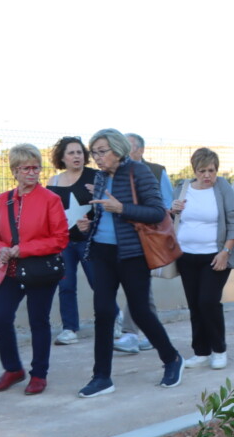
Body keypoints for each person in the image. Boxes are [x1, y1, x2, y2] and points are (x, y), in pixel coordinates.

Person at [77, 129, 184, 397]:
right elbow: (104, 213)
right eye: (95, 153)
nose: (98, 158)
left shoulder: (138, 172)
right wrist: (89, 226)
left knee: (140, 312)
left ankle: (171, 359)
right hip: (102, 252)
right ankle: (102, 377)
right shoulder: (101, 176)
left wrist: (122, 208)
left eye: (102, 151)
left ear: (118, 149)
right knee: (102, 311)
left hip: (133, 254)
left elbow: (158, 211)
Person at [0, 144, 69, 395]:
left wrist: (24, 249)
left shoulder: (50, 199)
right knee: (0, 316)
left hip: (40, 270)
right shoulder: (3, 200)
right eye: (27, 168)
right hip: (9, 269)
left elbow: (60, 238)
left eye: (37, 167)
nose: (33, 173)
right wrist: (0, 248)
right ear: (15, 171)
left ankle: (38, 374)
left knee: (38, 321)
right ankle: (13, 369)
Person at [171, 148, 234, 371]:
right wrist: (172, 209)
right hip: (186, 256)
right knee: (195, 304)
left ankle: (219, 350)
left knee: (208, 302)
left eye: (211, 170)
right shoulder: (183, 188)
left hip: (215, 256)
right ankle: (201, 351)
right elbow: (171, 218)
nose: (207, 175)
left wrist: (225, 252)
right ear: (195, 170)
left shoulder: (223, 188)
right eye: (202, 171)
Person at [116, 132, 174, 353]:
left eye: (128, 147)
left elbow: (166, 205)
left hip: (148, 237)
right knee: (140, 287)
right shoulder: (114, 173)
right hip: (124, 240)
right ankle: (145, 333)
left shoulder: (157, 171)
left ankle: (132, 334)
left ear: (140, 150)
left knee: (138, 286)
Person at [46, 136, 101, 346]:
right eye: (71, 152)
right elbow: (50, 213)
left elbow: (106, 206)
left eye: (79, 152)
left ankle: (113, 318)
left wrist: (97, 195)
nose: (76, 156)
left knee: (98, 283)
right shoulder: (54, 182)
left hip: (90, 241)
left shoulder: (95, 176)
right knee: (66, 285)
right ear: (62, 157)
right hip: (64, 243)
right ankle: (69, 329)